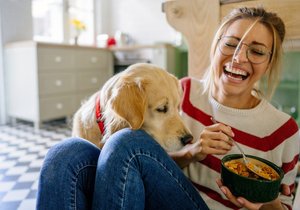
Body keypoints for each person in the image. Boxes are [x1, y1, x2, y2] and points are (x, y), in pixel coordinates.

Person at [36, 6, 299, 210]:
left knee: (126, 141)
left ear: (269, 62)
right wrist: (191, 153)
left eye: (257, 51)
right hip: (156, 198)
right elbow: (146, 165)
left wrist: (263, 203)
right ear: (216, 46)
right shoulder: (181, 91)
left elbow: (283, 206)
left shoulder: (283, 131)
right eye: (231, 43)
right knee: (65, 153)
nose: (239, 58)